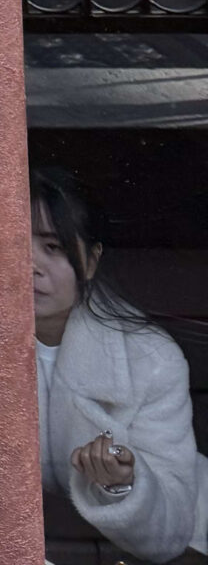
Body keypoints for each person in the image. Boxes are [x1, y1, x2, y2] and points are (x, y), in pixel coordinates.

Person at [32, 168, 208, 560]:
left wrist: (124, 486)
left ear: (91, 261)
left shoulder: (149, 359)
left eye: (53, 247)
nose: (31, 265)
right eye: (14, 244)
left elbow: (170, 530)